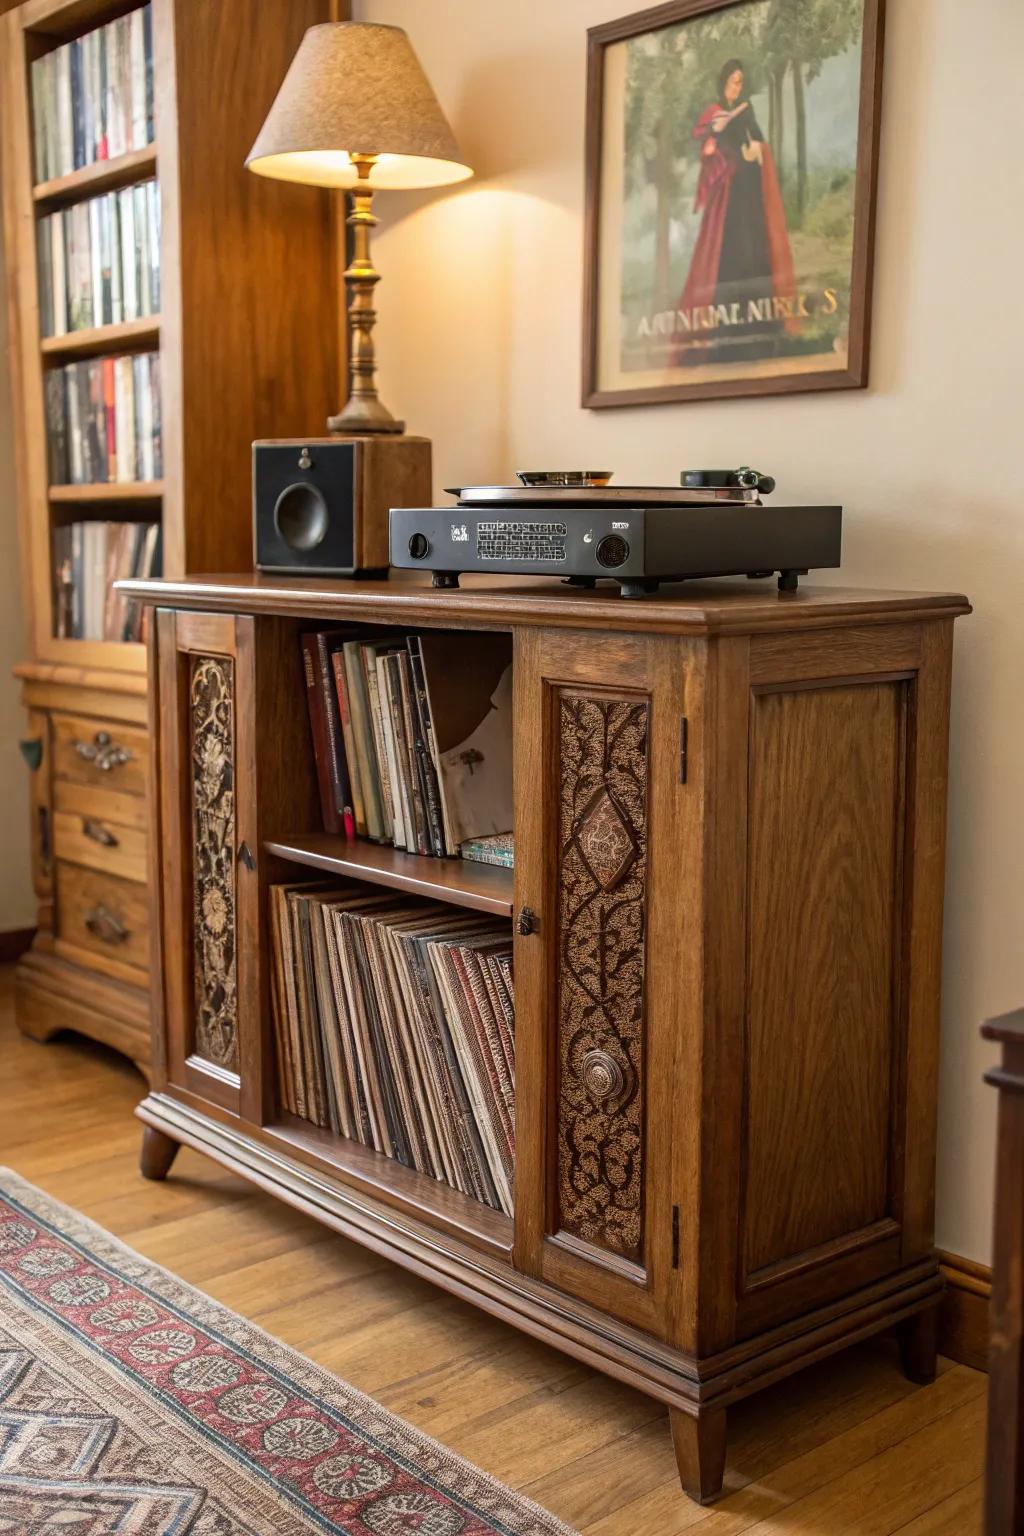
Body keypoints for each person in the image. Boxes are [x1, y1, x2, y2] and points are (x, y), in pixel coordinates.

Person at [673, 58, 795, 365]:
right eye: (733, 81)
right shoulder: (713, 112)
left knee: (754, 254)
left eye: (741, 81)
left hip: (749, 195)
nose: (737, 86)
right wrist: (713, 147)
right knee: (727, 258)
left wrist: (757, 152)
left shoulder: (746, 110)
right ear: (723, 81)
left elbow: (760, 144)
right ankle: (724, 340)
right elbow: (704, 144)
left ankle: (760, 332)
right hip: (726, 200)